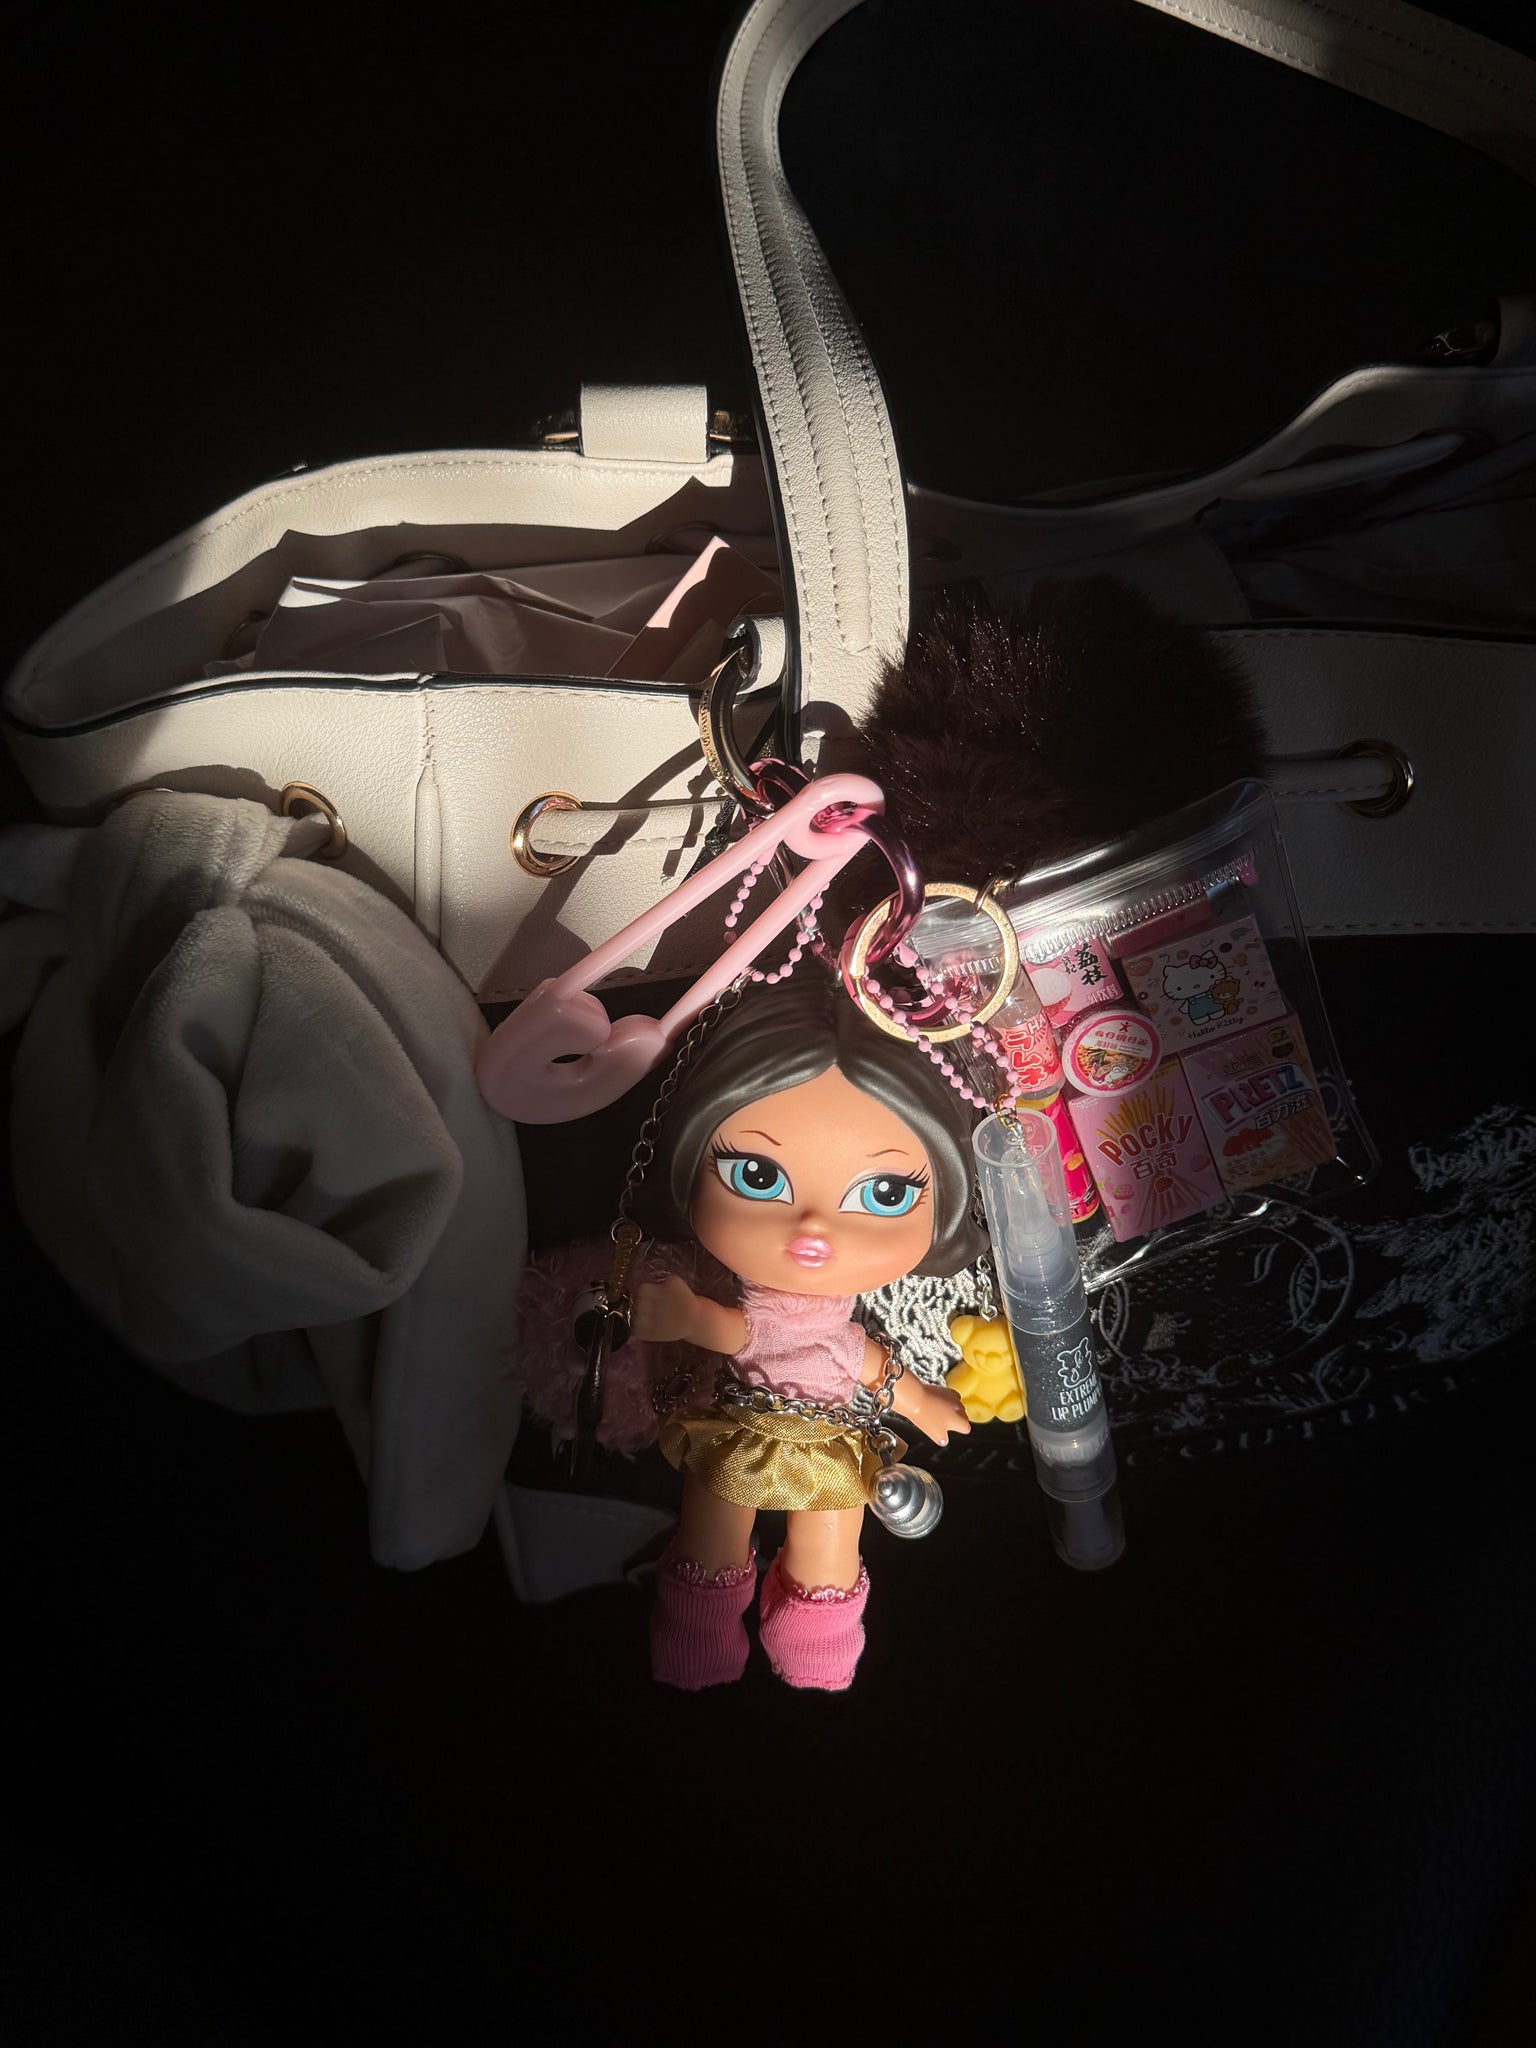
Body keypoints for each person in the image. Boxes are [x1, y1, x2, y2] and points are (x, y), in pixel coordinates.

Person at [632, 973, 983, 1692]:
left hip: (829, 1443)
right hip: (744, 1435)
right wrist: (689, 1318)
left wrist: (921, 1402)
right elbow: (739, 1331)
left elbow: (869, 1362)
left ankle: (818, 1643)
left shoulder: (839, 1328)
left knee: (830, 1545)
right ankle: (696, 1634)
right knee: (710, 1537)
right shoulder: (766, 1313)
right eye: (757, 1175)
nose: (814, 1229)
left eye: (885, 1193)